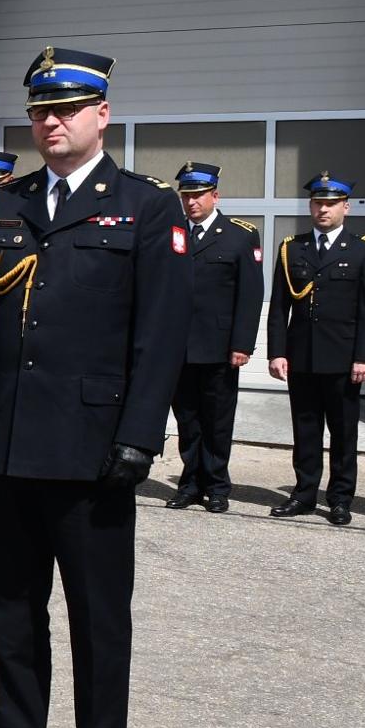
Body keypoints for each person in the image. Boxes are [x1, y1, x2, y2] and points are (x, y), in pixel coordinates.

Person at [0, 46, 191, 728]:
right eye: (41, 111)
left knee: (98, 617)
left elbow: (160, 336)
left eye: (67, 109)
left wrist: (141, 435)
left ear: (102, 116)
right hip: (14, 444)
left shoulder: (145, 206)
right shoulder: (2, 203)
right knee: (12, 613)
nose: (52, 122)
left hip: (95, 449)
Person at [266, 173, 365, 527]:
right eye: (318, 203)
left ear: (345, 207)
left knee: (344, 432)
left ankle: (340, 499)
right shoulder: (292, 248)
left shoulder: (363, 248)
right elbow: (278, 307)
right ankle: (303, 494)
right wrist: (277, 352)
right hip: (301, 359)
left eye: (331, 204)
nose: (323, 209)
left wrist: (364, 357)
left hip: (343, 360)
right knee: (305, 430)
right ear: (310, 206)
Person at [166, 162, 262, 513]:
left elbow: (250, 294)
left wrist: (241, 345)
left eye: (198, 195)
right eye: (186, 195)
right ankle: (190, 483)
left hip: (219, 347)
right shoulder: (172, 233)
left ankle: (218, 486)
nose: (191, 202)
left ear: (215, 195)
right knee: (187, 420)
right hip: (179, 347)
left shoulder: (239, 234)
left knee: (217, 421)